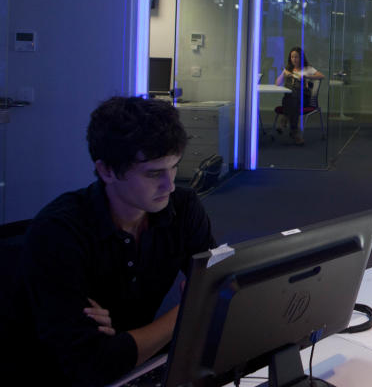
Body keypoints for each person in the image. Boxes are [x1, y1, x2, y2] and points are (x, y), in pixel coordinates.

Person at [7, 96, 216, 386]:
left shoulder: (183, 208)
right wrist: (188, 311)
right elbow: (91, 364)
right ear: (106, 171)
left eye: (174, 167)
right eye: (154, 173)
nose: (169, 184)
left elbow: (220, 289)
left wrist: (128, 341)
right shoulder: (57, 233)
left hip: (134, 366)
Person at [275, 46, 325, 145]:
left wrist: (306, 76)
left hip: (304, 99)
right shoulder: (288, 68)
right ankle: (295, 133)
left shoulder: (307, 68)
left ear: (301, 58)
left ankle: (285, 118)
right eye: (292, 57)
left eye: (296, 57)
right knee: (292, 98)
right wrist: (284, 74)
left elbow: (321, 76)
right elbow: (277, 83)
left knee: (293, 96)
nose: (294, 59)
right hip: (291, 100)